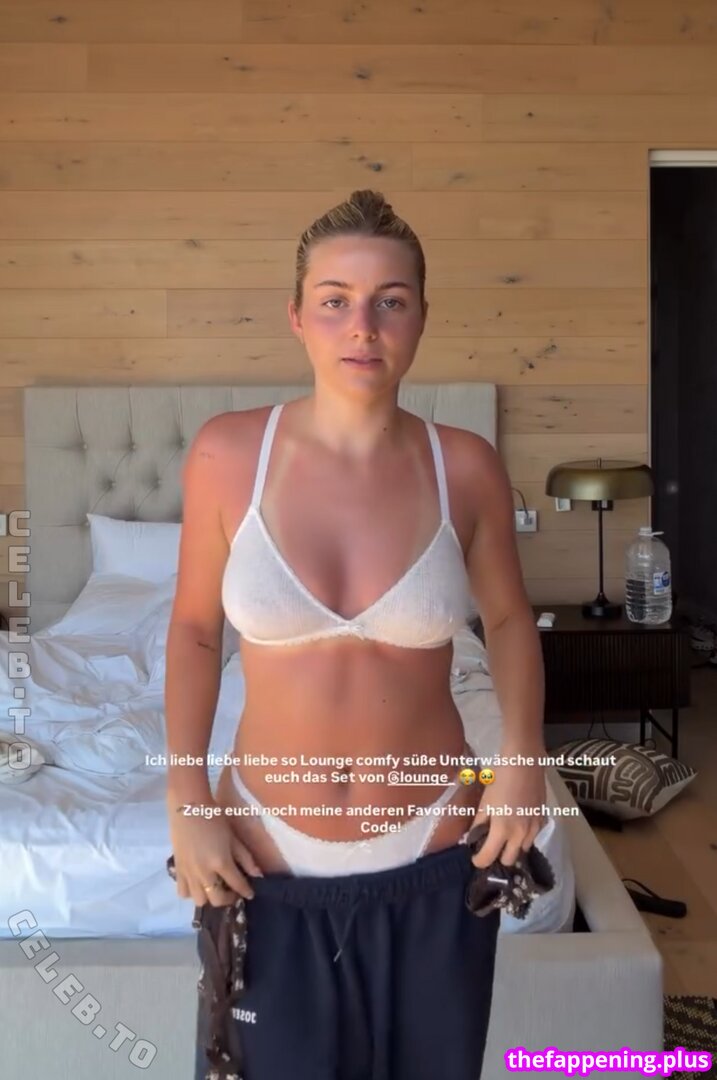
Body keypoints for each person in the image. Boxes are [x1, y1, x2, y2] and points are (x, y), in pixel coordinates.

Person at [164, 189, 548, 1080]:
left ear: (421, 318)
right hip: (261, 855)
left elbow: (506, 620)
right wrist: (186, 799)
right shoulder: (227, 454)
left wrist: (522, 755)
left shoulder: (464, 465)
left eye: (390, 300)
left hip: (438, 845)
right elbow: (192, 631)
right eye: (334, 299)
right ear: (296, 315)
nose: (362, 326)